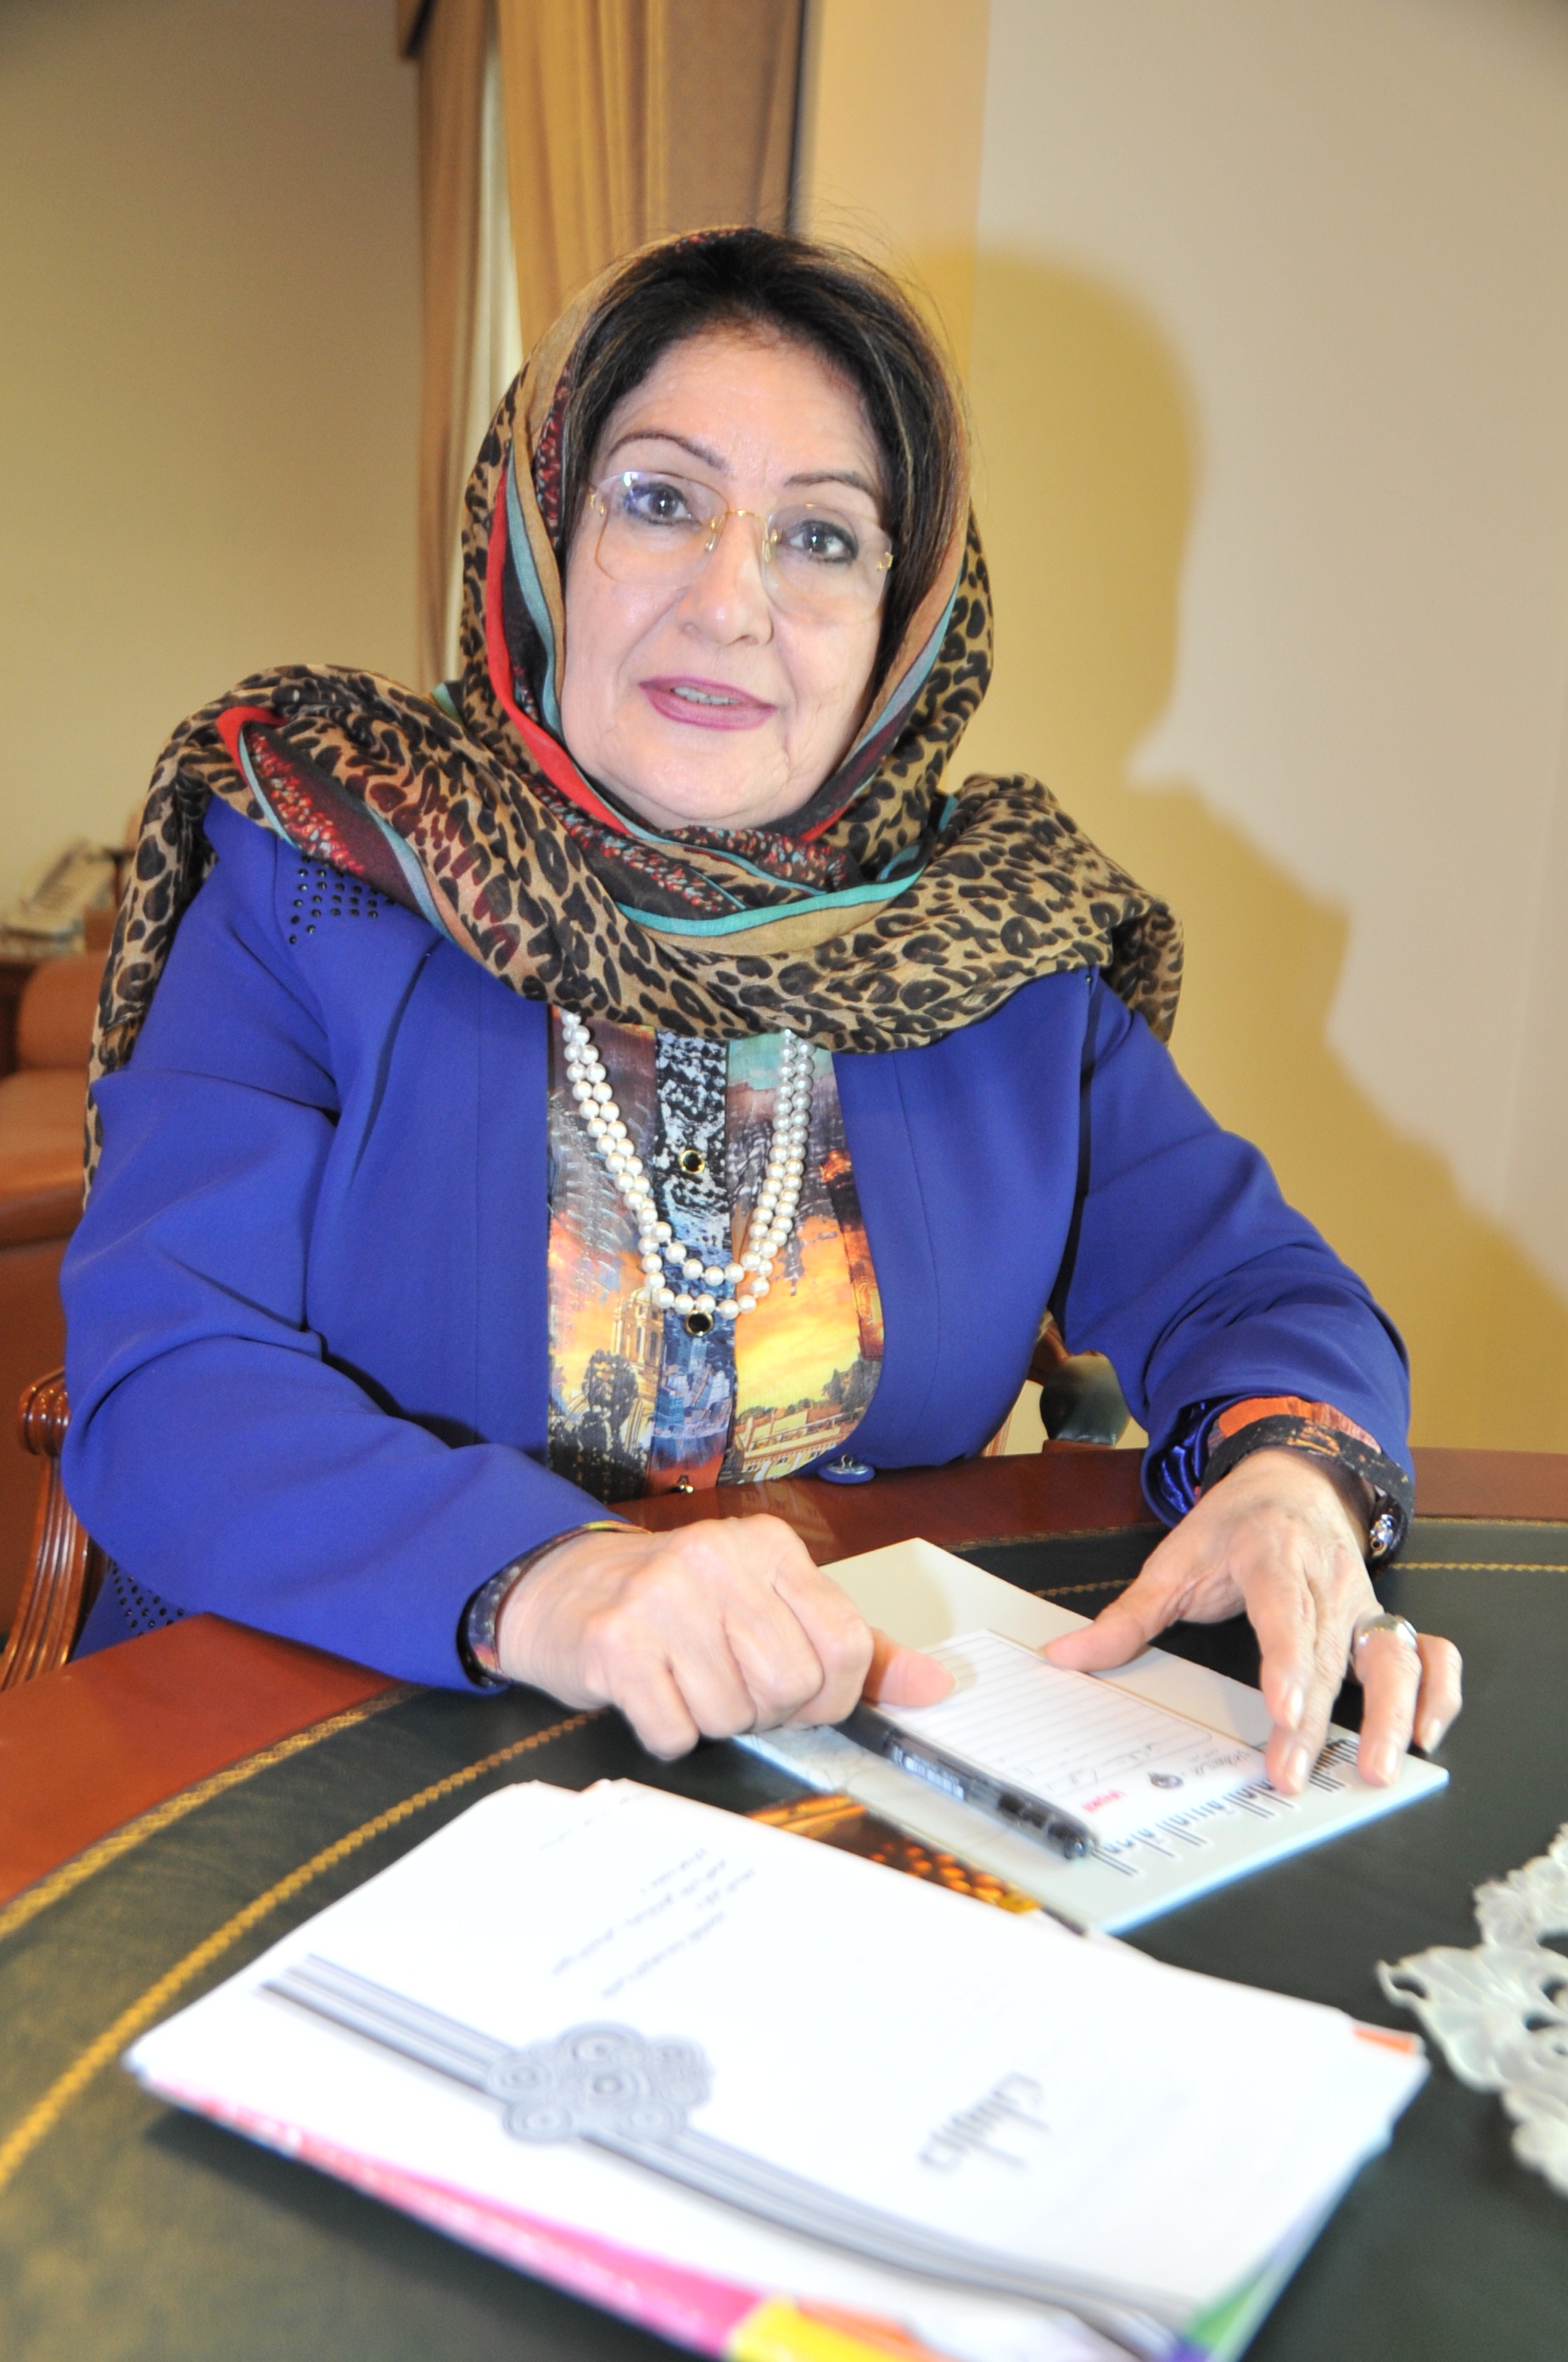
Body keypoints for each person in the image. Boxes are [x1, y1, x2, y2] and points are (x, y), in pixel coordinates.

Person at [63, 229, 1461, 1794]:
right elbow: (164, 1378)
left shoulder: (995, 943)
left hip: (822, 1771)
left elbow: (1254, 1286)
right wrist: (554, 1582)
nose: (732, 604)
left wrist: (1293, 1479)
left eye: (821, 538)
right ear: (542, 541)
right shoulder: (323, 867)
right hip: (303, 1751)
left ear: (904, 619)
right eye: (661, 502)